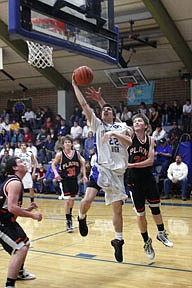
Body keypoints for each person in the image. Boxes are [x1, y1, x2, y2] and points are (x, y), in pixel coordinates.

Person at [72, 81, 132, 263]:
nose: (105, 110)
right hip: (101, 168)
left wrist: (113, 132)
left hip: (118, 173)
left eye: (109, 109)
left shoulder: (123, 127)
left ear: (114, 114)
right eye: (103, 110)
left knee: (117, 210)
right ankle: (81, 217)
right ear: (99, 114)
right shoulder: (97, 125)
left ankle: (118, 240)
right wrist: (75, 84)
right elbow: (84, 105)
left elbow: (130, 142)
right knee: (87, 199)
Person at [126, 113, 173, 260]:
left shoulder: (151, 140)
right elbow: (117, 122)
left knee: (155, 208)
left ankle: (161, 233)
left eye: (139, 120)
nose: (136, 122)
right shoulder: (129, 138)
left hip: (147, 177)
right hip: (134, 181)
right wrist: (101, 101)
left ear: (145, 125)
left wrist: (132, 165)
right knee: (140, 214)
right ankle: (146, 241)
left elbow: (150, 161)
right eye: (135, 121)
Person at [0, 157, 42, 288]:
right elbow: (12, 208)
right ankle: (9, 285)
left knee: (26, 243)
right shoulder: (15, 183)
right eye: (20, 162)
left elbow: (8, 206)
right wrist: (32, 215)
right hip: (2, 223)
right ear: (15, 168)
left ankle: (20, 272)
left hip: (7, 220)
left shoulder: (16, 181)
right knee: (20, 248)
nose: (24, 163)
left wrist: (26, 209)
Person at [52, 135, 88, 232]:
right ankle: (68, 221)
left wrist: (84, 175)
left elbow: (83, 163)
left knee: (72, 201)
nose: (68, 144)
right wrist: (56, 173)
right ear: (63, 144)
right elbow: (53, 164)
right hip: (65, 180)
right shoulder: (60, 155)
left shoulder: (76, 153)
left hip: (74, 179)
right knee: (67, 201)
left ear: (72, 144)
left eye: (69, 142)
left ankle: (70, 214)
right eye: (66, 142)